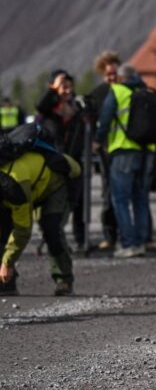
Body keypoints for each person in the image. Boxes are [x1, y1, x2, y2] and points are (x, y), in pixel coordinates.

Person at [1, 146, 81, 295]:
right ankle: (6, 284)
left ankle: (64, 279)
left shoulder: (14, 186)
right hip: (34, 184)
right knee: (2, 231)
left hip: (58, 183)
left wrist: (7, 263)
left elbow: (23, 230)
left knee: (51, 229)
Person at [96, 64, 156, 258]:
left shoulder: (118, 91)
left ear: (121, 77)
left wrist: (97, 141)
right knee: (140, 199)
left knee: (120, 200)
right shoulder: (147, 91)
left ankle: (128, 244)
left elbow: (105, 120)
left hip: (123, 150)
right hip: (146, 151)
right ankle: (140, 242)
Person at [35, 70, 88, 251]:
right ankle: (55, 239)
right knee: (54, 203)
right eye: (62, 85)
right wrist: (54, 88)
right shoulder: (48, 110)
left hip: (74, 161)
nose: (66, 89)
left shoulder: (76, 108)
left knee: (76, 201)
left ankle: (81, 239)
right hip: (53, 161)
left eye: (68, 85)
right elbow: (41, 104)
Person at [87, 50, 121, 251]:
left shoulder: (126, 91)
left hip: (126, 150)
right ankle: (109, 235)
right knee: (108, 195)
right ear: (102, 73)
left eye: (115, 73)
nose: (112, 77)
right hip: (107, 152)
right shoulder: (97, 94)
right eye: (109, 74)